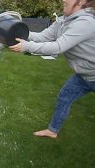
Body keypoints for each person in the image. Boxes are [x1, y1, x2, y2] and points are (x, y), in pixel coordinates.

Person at [9, 0, 95, 138]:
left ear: (81, 2)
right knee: (64, 97)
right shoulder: (63, 21)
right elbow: (43, 37)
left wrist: (26, 46)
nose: (64, 0)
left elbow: (57, 47)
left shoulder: (85, 23)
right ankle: (53, 131)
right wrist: (18, 32)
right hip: (84, 75)